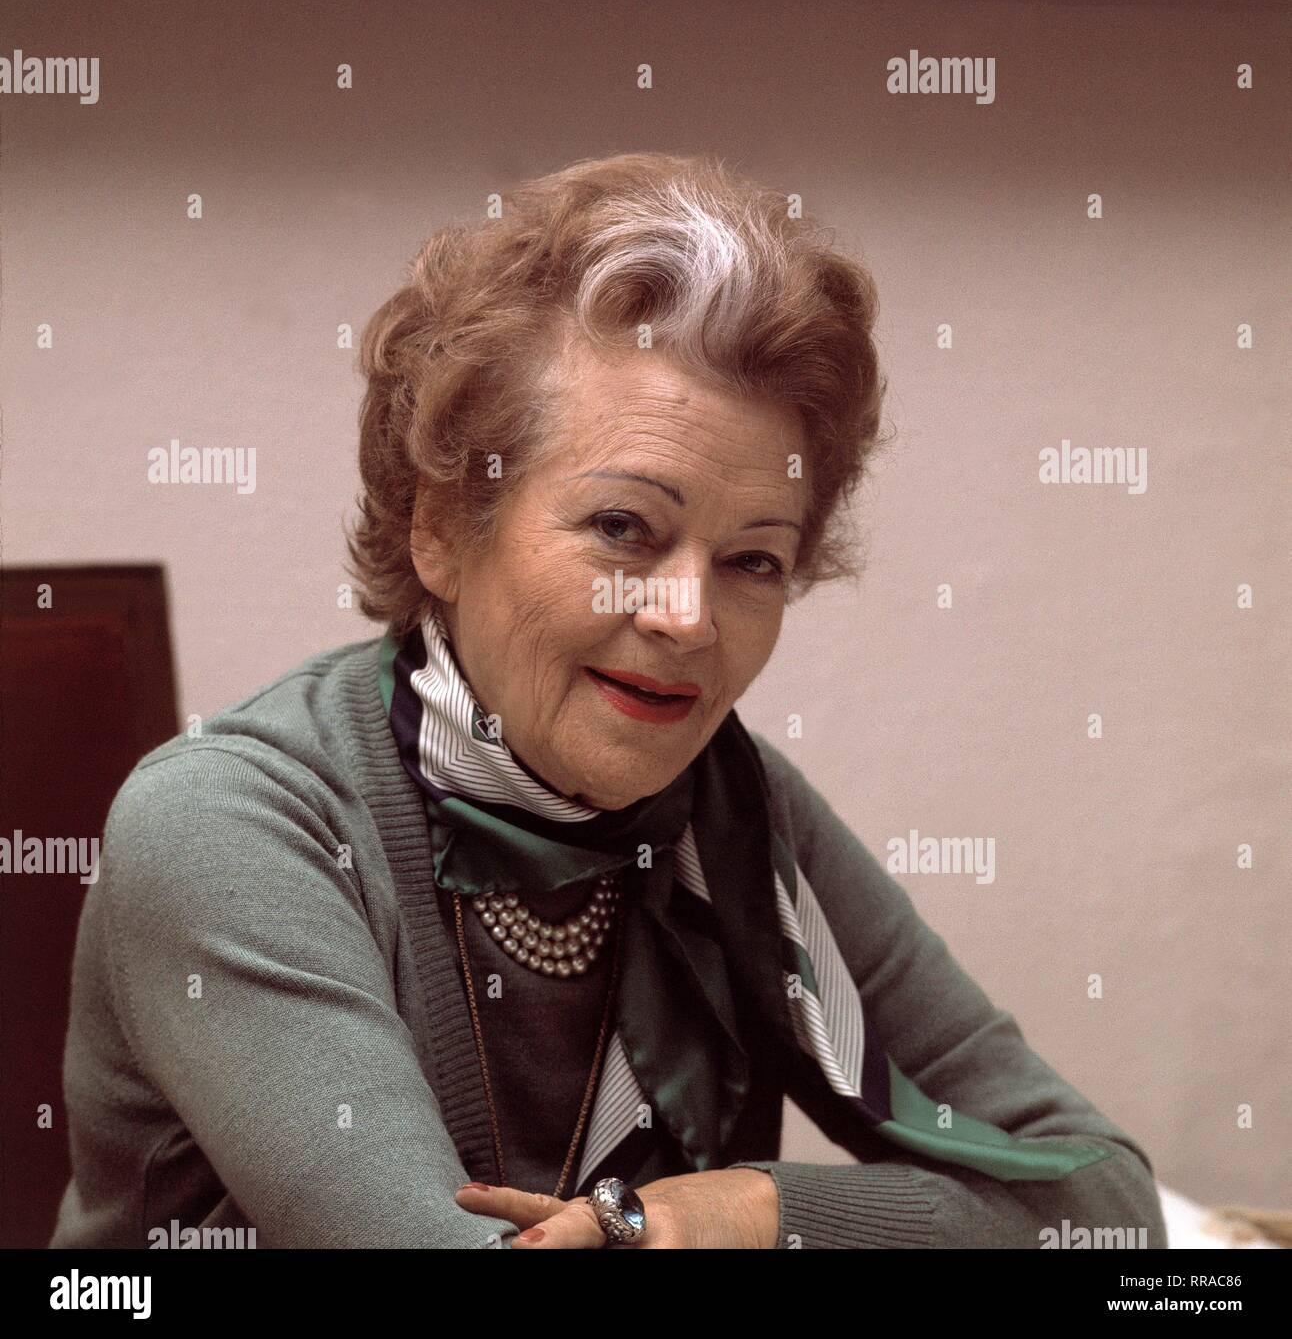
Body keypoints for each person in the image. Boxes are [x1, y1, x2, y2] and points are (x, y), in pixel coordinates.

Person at [49, 152, 1167, 1249]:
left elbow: (1103, 1205)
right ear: (441, 527)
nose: (687, 618)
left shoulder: (731, 811)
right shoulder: (231, 824)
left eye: (753, 560)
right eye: (623, 527)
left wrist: (754, 1214)